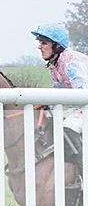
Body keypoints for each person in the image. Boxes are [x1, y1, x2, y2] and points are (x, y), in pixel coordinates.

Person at [31, 22, 88, 156]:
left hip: (85, 104)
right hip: (82, 107)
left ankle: (82, 171)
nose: (40, 47)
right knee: (51, 125)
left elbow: (81, 96)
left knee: (68, 129)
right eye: (40, 43)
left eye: (44, 43)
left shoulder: (71, 62)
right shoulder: (54, 64)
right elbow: (59, 93)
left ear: (57, 46)